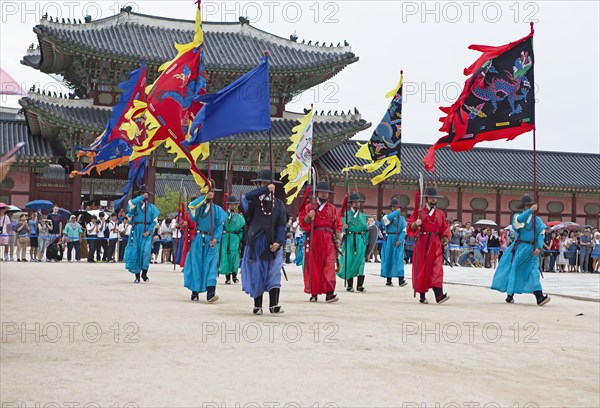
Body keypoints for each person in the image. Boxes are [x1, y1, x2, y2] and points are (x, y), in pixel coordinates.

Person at [240, 170, 287, 314]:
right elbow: (244, 198)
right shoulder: (253, 201)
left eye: (268, 183)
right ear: (259, 185)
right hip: (257, 242)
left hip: (273, 242)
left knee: (274, 272)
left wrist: (279, 242)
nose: (266, 185)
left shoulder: (279, 204)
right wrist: (265, 189)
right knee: (257, 273)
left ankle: (274, 305)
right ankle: (257, 305)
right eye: (263, 183)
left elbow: (281, 224)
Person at [491, 194, 550, 306]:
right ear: (523, 207)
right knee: (515, 269)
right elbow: (518, 222)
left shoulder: (537, 220)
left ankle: (539, 297)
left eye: (531, 205)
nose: (530, 207)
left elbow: (541, 233)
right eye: (527, 205)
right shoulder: (517, 216)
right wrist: (529, 211)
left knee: (534, 271)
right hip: (520, 247)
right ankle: (510, 295)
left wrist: (538, 247)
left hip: (532, 249)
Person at [183, 180, 227, 302]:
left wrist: (216, 238)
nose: (210, 194)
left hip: (211, 240)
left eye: (212, 191)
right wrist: (203, 197)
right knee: (196, 264)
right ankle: (195, 290)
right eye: (208, 192)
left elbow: (219, 226)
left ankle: (211, 293)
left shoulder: (217, 210)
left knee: (212, 265)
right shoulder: (198, 207)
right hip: (199, 239)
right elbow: (192, 211)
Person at [299, 180, 342, 303]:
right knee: (314, 266)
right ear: (317, 193)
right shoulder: (309, 207)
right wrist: (308, 217)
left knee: (329, 265)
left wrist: (338, 238)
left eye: (326, 193)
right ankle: (314, 292)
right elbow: (303, 224)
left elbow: (337, 224)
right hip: (313, 239)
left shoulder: (333, 209)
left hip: (328, 240)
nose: (324, 195)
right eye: (321, 192)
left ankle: (329, 293)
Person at [406, 187, 451, 304]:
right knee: (422, 268)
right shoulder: (420, 212)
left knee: (437, 268)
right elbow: (409, 226)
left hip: (435, 243)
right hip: (423, 242)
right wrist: (416, 224)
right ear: (426, 199)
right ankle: (422, 295)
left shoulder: (440, 213)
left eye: (435, 198)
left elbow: (445, 228)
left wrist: (445, 240)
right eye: (431, 198)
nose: (433, 200)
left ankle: (439, 295)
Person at [124, 186, 161, 283]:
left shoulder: (152, 207)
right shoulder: (135, 206)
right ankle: (137, 276)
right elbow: (130, 203)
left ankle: (144, 272)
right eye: (142, 194)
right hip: (136, 231)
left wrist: (149, 232)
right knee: (137, 252)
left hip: (147, 232)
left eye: (146, 194)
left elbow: (154, 221)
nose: (145, 196)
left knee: (146, 252)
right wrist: (141, 197)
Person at [337, 193, 368, 292]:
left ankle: (359, 285)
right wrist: (343, 227)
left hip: (360, 240)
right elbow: (339, 226)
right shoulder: (346, 215)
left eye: (358, 202)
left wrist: (365, 241)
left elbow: (366, 229)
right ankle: (350, 285)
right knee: (349, 261)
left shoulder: (362, 216)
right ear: (350, 204)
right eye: (355, 202)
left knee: (361, 262)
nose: (357, 204)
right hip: (350, 239)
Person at [380, 198, 408, 287]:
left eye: (397, 207)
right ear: (391, 208)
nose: (396, 208)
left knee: (399, 259)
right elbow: (386, 221)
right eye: (394, 207)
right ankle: (389, 279)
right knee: (389, 258)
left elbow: (404, 230)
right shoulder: (386, 217)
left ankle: (401, 280)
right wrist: (396, 212)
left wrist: (400, 240)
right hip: (389, 239)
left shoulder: (402, 219)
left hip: (398, 239)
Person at [219, 195, 245, 284]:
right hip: (225, 237)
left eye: (234, 204)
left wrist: (241, 239)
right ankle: (227, 277)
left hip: (235, 238)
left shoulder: (240, 217)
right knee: (225, 256)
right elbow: (219, 227)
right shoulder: (223, 215)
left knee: (235, 256)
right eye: (231, 204)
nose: (232, 206)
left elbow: (242, 229)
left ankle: (234, 276)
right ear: (228, 205)